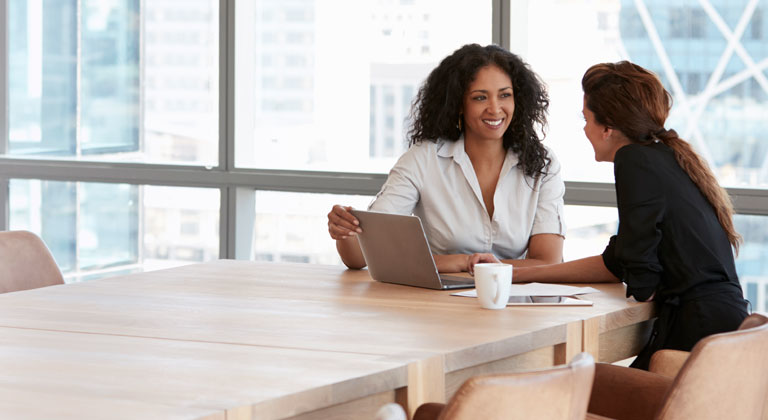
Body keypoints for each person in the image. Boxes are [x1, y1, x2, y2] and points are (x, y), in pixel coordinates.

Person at [475, 61, 748, 370]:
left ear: (608, 129)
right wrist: (516, 272)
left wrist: (639, 271)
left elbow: (641, 279)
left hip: (697, 335)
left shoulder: (634, 159)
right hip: (722, 328)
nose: (584, 128)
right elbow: (619, 261)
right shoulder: (665, 156)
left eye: (586, 118)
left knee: (575, 382)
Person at [326, 44, 566, 273]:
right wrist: (344, 230)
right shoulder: (423, 160)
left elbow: (547, 262)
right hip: (437, 305)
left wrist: (463, 265)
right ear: (459, 104)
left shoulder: (542, 164)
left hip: (514, 303)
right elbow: (360, 256)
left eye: (504, 95)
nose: (495, 108)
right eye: (480, 97)